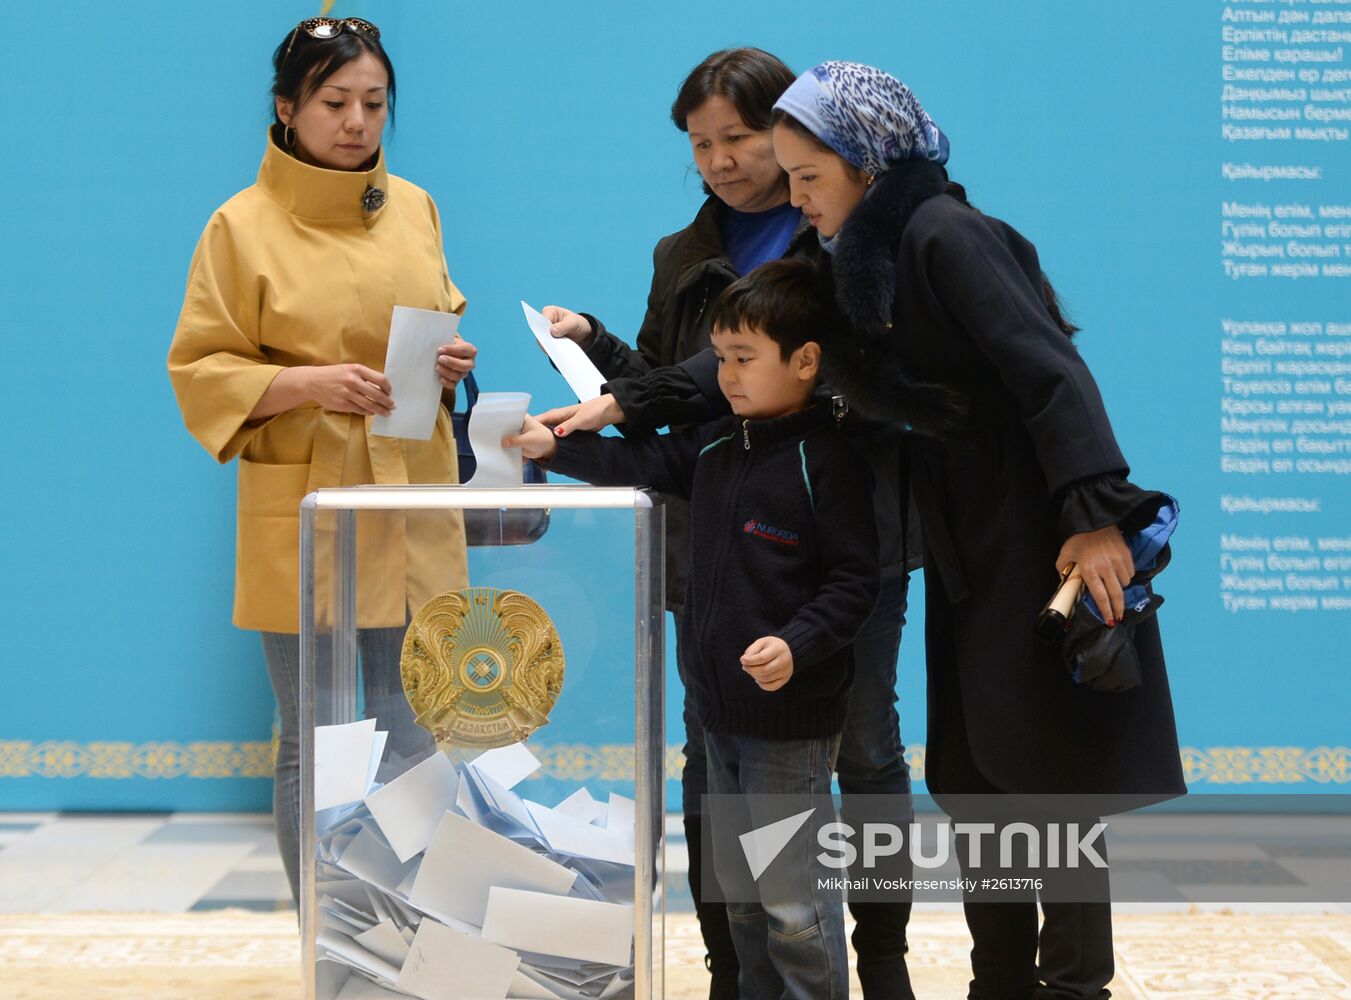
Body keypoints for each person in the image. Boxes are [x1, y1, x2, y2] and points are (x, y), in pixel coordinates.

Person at [540, 48, 918, 998]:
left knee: (864, 748)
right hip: (712, 540)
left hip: (836, 538)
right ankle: (730, 968)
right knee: (710, 759)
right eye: (700, 144)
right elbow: (677, 384)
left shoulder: (839, 232)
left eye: (739, 138)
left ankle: (878, 960)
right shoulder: (681, 252)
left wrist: (631, 402)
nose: (719, 160)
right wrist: (596, 349)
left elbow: (697, 386)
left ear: (790, 133)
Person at [166, 17, 477, 903]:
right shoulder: (240, 225)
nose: (356, 122)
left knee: (414, 730)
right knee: (322, 730)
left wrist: (452, 362)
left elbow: (435, 323)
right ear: (287, 108)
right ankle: (331, 945)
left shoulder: (415, 206)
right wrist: (310, 385)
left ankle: (412, 937)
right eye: (335, 103)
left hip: (411, 495)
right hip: (311, 502)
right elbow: (201, 368)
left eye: (373, 104)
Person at [510, 259, 878, 1000]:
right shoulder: (716, 442)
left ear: (805, 362)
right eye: (720, 359)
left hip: (787, 725)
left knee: (793, 905)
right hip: (717, 716)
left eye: (744, 360)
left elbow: (852, 585)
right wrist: (558, 449)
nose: (727, 376)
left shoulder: (827, 459)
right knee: (743, 902)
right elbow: (643, 458)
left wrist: (796, 645)